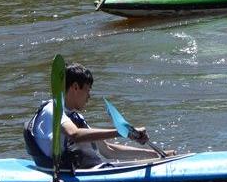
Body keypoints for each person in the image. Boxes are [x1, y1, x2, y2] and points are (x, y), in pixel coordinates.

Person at [26, 63, 169, 170]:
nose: (89, 96)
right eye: (88, 90)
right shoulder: (53, 109)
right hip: (63, 175)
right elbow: (74, 134)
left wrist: (155, 155)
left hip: (85, 170)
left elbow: (108, 150)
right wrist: (123, 132)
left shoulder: (75, 117)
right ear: (75, 87)